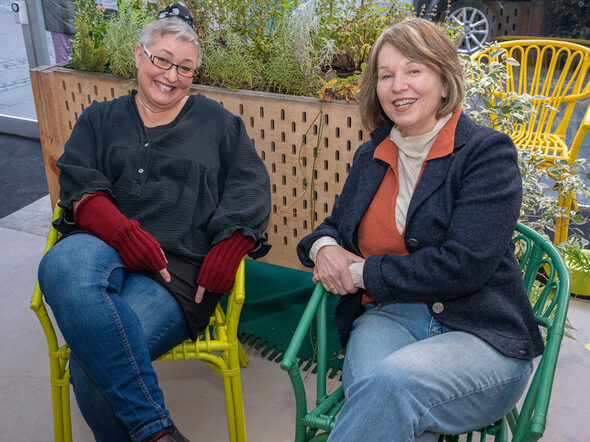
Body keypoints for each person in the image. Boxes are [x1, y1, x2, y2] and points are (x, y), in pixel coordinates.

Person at [297, 18, 543, 441]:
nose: (398, 86)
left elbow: (462, 265)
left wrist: (359, 273)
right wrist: (323, 248)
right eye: (386, 75)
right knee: (394, 414)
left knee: (392, 385)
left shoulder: (486, 154)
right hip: (389, 318)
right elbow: (333, 228)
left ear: (444, 82)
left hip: (482, 335)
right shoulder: (372, 154)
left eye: (414, 70)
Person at [37, 3, 271, 441]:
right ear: (139, 56)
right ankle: (157, 431)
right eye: (161, 59)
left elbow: (250, 187)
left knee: (93, 371)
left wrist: (230, 246)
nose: (170, 75)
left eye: (185, 67)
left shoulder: (219, 124)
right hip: (98, 246)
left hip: (174, 270)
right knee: (59, 264)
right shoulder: (99, 119)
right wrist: (124, 235)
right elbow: (80, 185)